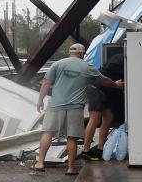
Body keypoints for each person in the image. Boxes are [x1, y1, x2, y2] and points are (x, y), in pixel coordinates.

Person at [33, 43, 123, 175]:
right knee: (72, 138)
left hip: (55, 105)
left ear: (70, 52)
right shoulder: (87, 66)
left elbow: (46, 83)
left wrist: (40, 100)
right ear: (82, 53)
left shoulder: (57, 64)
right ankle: (70, 168)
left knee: (47, 133)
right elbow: (103, 80)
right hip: (75, 107)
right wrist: (115, 84)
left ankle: (40, 163)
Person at [81, 52, 125, 159]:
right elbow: (104, 77)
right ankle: (86, 150)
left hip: (107, 90)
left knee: (108, 118)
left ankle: (100, 149)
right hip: (97, 89)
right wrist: (116, 84)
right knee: (95, 118)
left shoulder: (118, 59)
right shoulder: (119, 59)